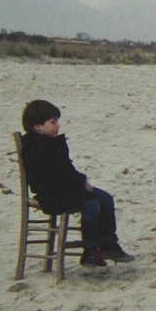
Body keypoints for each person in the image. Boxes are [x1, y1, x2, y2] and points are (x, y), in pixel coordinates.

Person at [20, 99, 134, 267]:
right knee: (92, 204)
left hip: (68, 189)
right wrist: (81, 182)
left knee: (106, 198)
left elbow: (67, 168)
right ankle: (91, 249)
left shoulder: (53, 143)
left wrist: (81, 181)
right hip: (52, 194)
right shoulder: (36, 148)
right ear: (38, 127)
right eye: (53, 122)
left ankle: (109, 244)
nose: (58, 125)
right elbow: (54, 174)